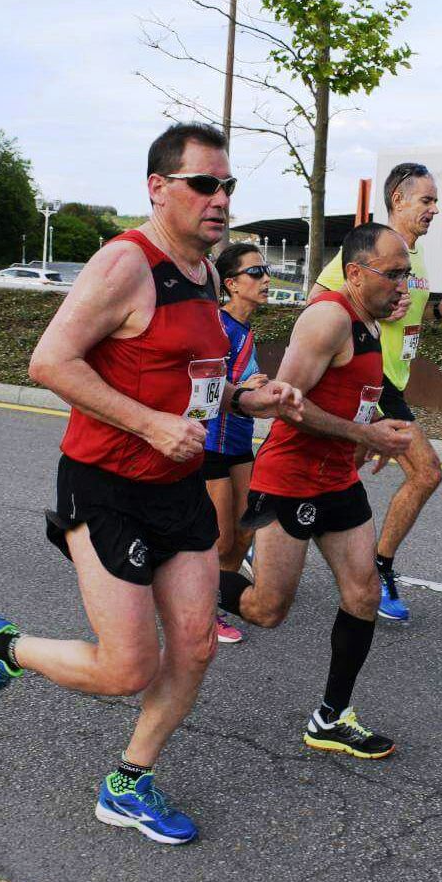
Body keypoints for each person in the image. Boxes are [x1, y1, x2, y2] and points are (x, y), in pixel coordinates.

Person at [0, 122, 302, 846]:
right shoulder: (125, 263)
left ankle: (128, 781)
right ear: (158, 188)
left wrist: (245, 399)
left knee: (197, 644)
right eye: (203, 184)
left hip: (178, 483)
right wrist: (146, 423)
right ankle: (2, 649)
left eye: (228, 185)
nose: (220, 198)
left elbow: (193, 380)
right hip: (106, 482)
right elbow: (48, 361)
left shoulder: (205, 273)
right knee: (126, 665)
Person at [219, 222, 414, 758]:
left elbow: (353, 395)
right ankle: (181, 582)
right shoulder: (329, 317)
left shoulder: (373, 325)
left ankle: (331, 716)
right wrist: (364, 433)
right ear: (355, 273)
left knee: (364, 593)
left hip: (337, 480)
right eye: (393, 274)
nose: (403, 285)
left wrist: (374, 433)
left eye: (407, 274)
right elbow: (288, 404)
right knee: (266, 609)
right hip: (290, 479)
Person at [309, 164, 442, 621]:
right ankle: (378, 569)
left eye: (435, 201)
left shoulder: (413, 258)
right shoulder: (371, 249)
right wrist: (370, 316)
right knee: (427, 472)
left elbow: (406, 321)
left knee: (329, 474)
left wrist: (438, 311)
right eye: (426, 200)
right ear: (398, 200)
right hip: (370, 384)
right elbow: (317, 305)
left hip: (393, 384)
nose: (434, 209)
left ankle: (267, 532)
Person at [205, 243, 271, 644]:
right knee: (222, 540)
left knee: (247, 530)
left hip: (240, 441)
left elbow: (248, 381)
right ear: (231, 284)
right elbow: (200, 384)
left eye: (266, 271)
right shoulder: (217, 326)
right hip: (211, 444)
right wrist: (241, 390)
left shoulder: (245, 329)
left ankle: (216, 597)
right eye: (256, 272)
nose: (266, 279)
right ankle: (200, 614)